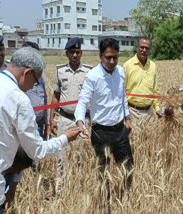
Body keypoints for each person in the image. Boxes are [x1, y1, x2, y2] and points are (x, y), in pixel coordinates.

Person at [0, 47, 80, 213]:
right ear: (27, 73)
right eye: (34, 82)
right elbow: (37, 151)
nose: (32, 87)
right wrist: (65, 138)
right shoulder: (19, 99)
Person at [75, 38, 134, 189]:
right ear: (100, 56)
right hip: (101, 132)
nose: (112, 61)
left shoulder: (120, 72)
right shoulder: (92, 76)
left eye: (115, 57)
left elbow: (122, 97)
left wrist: (127, 118)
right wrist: (80, 123)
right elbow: (82, 102)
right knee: (103, 174)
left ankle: (126, 202)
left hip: (120, 130)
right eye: (108, 57)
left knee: (128, 170)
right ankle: (104, 206)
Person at [48, 37, 92, 184]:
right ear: (67, 53)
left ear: (81, 53)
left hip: (83, 121)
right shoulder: (60, 71)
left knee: (82, 156)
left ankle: (79, 187)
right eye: (72, 52)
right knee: (63, 156)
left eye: (78, 52)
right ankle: (61, 189)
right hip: (65, 120)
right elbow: (55, 96)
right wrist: (51, 120)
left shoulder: (88, 72)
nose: (75, 55)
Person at [123, 37, 161, 125]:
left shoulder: (153, 66)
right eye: (142, 47)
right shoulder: (128, 65)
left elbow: (154, 90)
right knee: (133, 138)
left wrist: (157, 108)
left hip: (149, 113)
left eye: (147, 48)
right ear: (137, 48)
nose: (144, 50)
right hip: (132, 112)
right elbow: (122, 91)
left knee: (149, 138)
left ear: (150, 50)